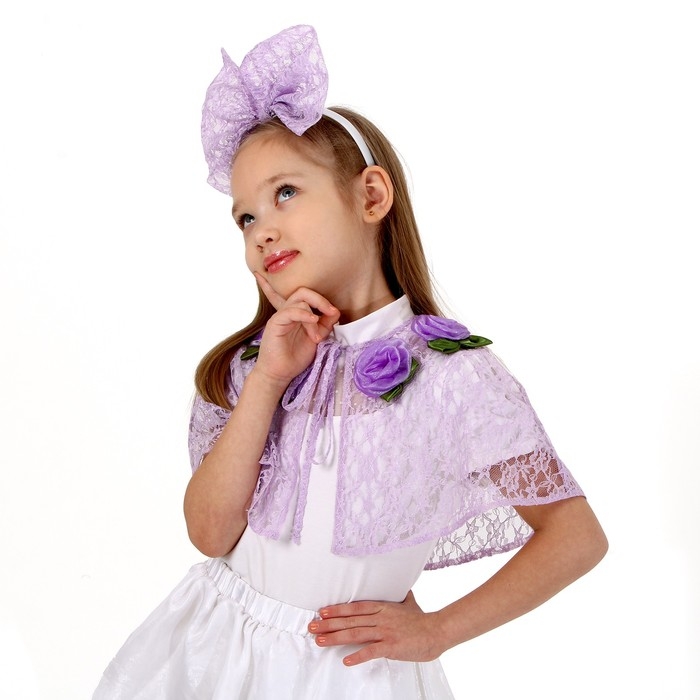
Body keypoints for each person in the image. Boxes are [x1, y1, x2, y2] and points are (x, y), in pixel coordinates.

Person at [93, 24, 607, 700]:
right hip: (219, 656)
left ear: (371, 196)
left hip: (351, 677)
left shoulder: (451, 376)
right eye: (244, 218)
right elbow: (210, 533)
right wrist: (269, 382)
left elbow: (576, 536)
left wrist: (438, 631)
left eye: (284, 192)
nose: (262, 230)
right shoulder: (256, 365)